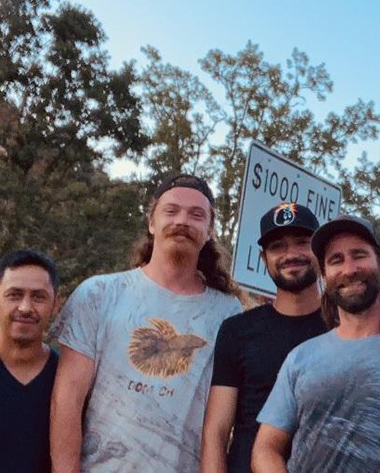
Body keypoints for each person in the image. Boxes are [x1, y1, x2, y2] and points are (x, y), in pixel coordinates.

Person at [49, 173, 243, 473]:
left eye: (196, 215)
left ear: (208, 231)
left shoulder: (228, 314)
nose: (182, 220)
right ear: (152, 222)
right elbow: (67, 402)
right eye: (171, 210)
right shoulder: (99, 294)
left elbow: (219, 426)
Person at [253, 214, 380, 472]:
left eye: (359, 255)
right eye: (336, 260)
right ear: (325, 277)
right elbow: (266, 448)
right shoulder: (300, 357)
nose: (349, 269)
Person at [200, 202, 328, 473]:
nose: (290, 254)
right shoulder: (236, 331)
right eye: (277, 246)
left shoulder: (347, 327)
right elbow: (216, 430)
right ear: (263, 259)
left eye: (302, 242)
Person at [0, 249, 60, 473]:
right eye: (14, 295)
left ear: (55, 305)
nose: (25, 308)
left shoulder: (69, 381)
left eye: (38, 297)